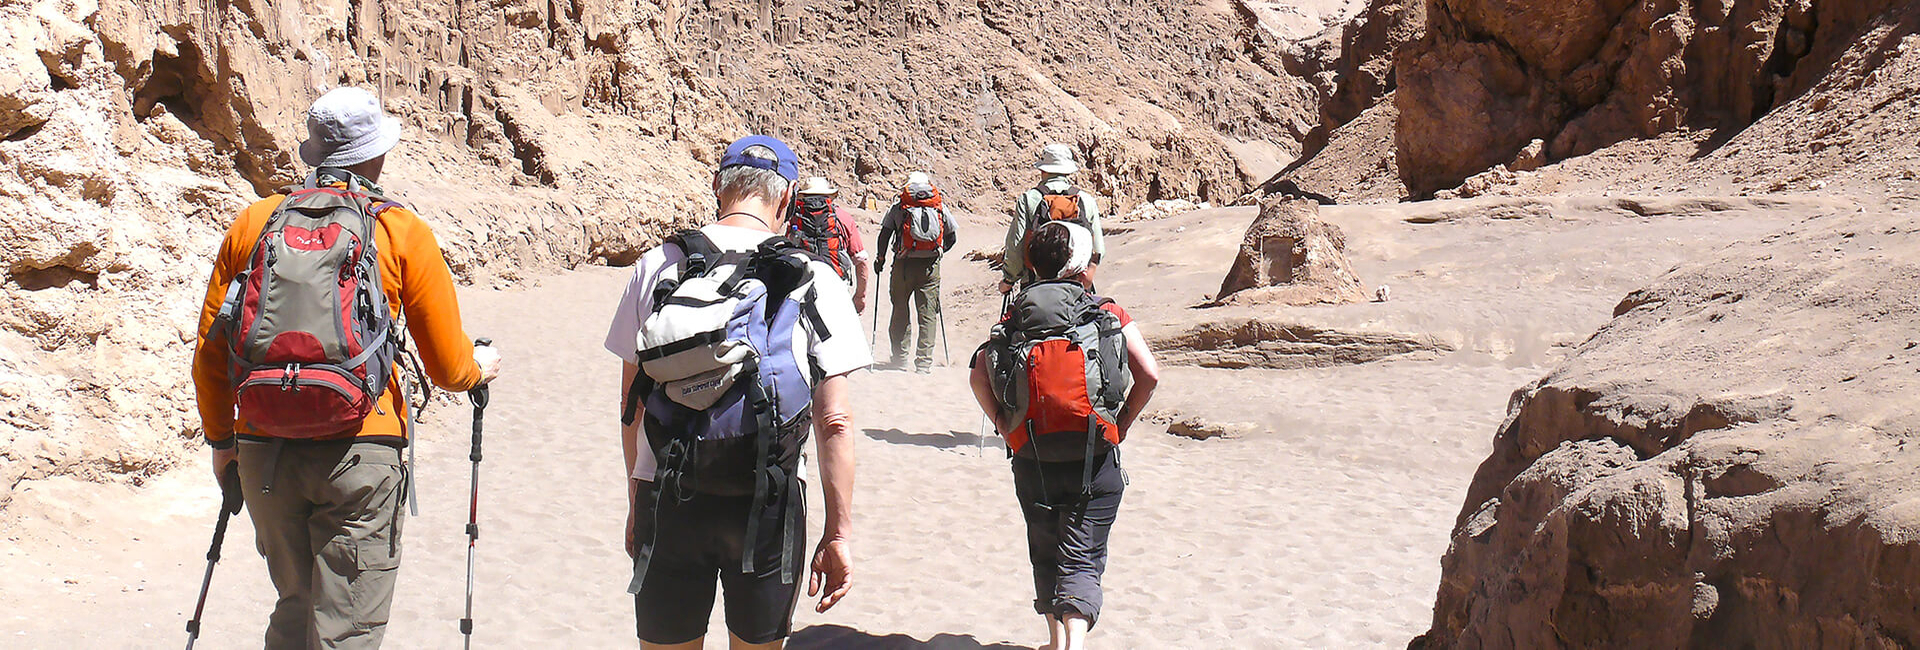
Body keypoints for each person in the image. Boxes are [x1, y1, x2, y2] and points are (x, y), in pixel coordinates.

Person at [191, 86, 502, 649]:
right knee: (347, 631)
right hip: (362, 448)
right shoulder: (398, 230)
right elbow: (448, 367)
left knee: (295, 605)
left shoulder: (254, 223)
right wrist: (481, 367)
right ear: (376, 155)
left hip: (265, 450)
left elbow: (212, 353)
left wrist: (222, 442)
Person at [605, 135, 868, 649]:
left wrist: (638, 499)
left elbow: (630, 404)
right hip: (766, 505)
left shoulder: (657, 265)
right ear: (788, 199)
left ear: (717, 188)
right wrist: (838, 534)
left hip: (671, 495)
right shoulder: (812, 274)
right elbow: (834, 420)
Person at [970, 221, 1159, 650]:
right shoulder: (1106, 313)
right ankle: (1072, 643)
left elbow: (979, 376)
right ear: (1080, 264)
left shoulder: (1016, 314)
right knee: (1082, 557)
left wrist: (1003, 424)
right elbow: (1149, 374)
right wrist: (1122, 423)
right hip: (1094, 457)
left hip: (1031, 454)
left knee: (1045, 549)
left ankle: (1056, 642)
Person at [874, 171, 958, 373]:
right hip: (930, 267)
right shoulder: (938, 206)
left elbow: (884, 234)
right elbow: (952, 237)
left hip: (903, 265)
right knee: (928, 314)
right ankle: (923, 363)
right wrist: (938, 253)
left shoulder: (900, 206)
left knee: (900, 310)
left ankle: (900, 360)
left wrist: (881, 259)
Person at [999, 143, 1106, 295]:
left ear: (1043, 170)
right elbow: (1099, 249)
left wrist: (1009, 280)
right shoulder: (1086, 200)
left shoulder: (1029, 199)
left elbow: (1016, 245)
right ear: (1068, 171)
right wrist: (1086, 276)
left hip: (1035, 286)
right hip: (1077, 287)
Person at [787, 176, 873, 313]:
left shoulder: (794, 219)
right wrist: (860, 296)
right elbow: (861, 260)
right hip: (836, 285)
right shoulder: (843, 218)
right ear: (830, 196)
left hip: (801, 286)